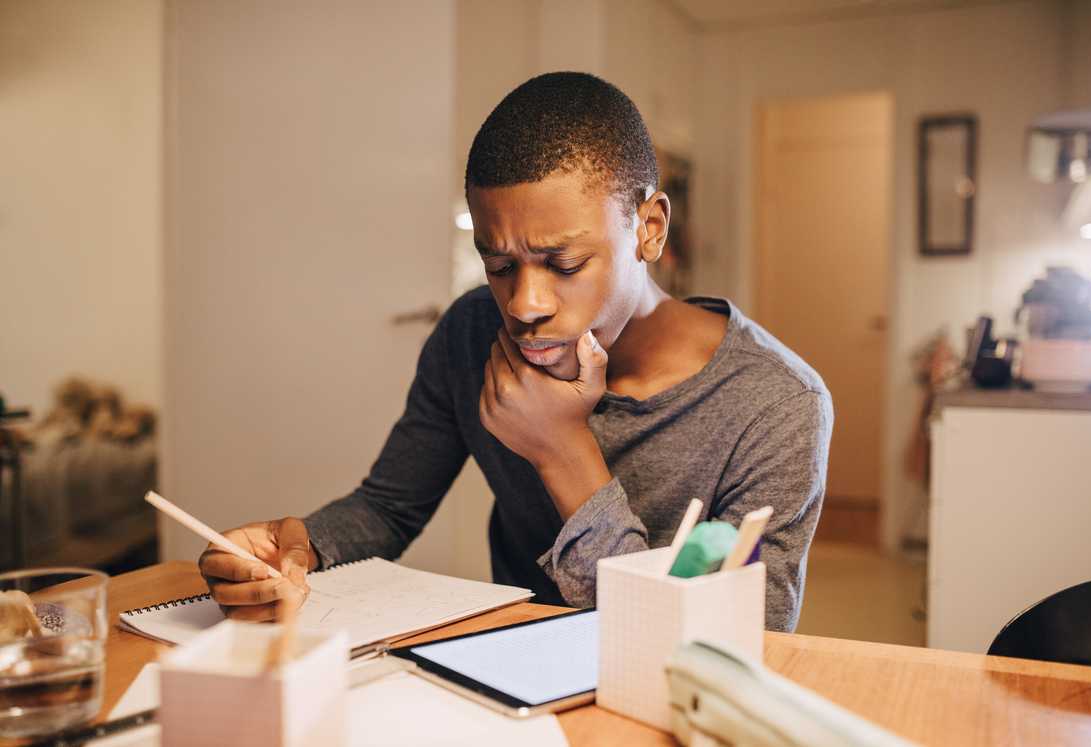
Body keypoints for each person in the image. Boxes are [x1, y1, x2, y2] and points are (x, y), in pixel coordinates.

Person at [198, 72, 833, 632]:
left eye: (563, 262)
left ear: (650, 228)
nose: (524, 304)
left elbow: (751, 644)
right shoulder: (471, 335)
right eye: (499, 264)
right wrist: (294, 549)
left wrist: (564, 452)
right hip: (512, 672)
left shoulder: (776, 405)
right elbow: (389, 507)